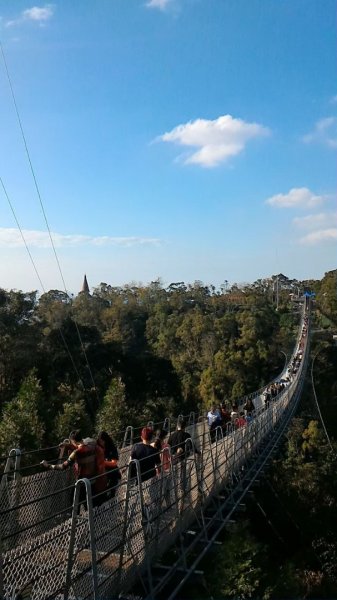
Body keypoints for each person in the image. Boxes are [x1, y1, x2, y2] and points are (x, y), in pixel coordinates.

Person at [41, 430, 106, 508]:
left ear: (73, 441)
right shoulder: (92, 445)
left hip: (82, 483)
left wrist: (47, 465)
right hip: (93, 481)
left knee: (74, 503)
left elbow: (62, 467)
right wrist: (68, 445)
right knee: (90, 506)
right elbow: (83, 444)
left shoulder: (76, 452)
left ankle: (76, 519)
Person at [97, 430, 121, 498]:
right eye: (100, 441)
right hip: (102, 474)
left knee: (112, 495)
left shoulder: (112, 448)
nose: (101, 443)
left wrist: (102, 462)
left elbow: (114, 463)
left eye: (102, 441)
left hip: (112, 474)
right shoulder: (97, 448)